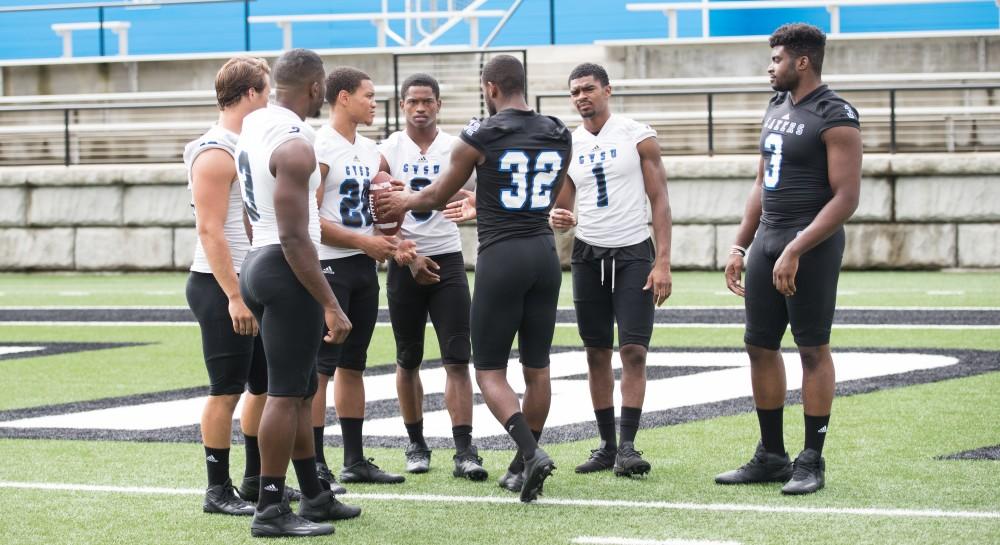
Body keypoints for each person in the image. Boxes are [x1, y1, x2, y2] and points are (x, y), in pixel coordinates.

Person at [378, 55, 572, 503]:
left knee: (488, 369)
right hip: (544, 253)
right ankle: (519, 465)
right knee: (538, 367)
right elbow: (546, 193)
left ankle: (531, 453)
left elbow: (436, 195)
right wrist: (483, 202)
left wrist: (403, 203)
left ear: (489, 88)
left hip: (502, 255)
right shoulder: (559, 131)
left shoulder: (480, 133)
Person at [715, 23, 862, 495]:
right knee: (759, 345)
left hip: (811, 247)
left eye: (776, 59)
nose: (769, 67)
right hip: (769, 239)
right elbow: (762, 182)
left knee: (812, 348)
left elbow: (846, 198)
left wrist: (797, 248)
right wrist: (742, 244)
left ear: (802, 61)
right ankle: (772, 456)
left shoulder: (836, 113)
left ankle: (812, 460)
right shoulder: (777, 105)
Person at [236, 48, 361, 537]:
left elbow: (254, 214)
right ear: (316, 89)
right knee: (285, 395)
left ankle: (314, 494)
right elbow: (294, 236)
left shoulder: (253, 125)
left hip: (261, 259)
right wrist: (332, 305)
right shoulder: (296, 143)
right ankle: (270, 507)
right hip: (285, 265)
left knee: (302, 386)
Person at [548, 62, 673, 478]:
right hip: (588, 253)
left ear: (607, 90)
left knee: (633, 350)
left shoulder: (637, 134)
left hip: (634, 251)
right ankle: (606, 444)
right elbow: (562, 203)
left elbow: (660, 200)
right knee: (596, 352)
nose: (581, 97)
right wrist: (558, 217)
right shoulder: (570, 143)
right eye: (574, 92)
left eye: (588, 89)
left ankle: (629, 445)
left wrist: (663, 261)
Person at [377, 73, 486, 480]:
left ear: (439, 104)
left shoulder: (457, 146)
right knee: (408, 359)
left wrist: (474, 202)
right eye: (412, 101)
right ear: (402, 105)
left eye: (427, 101)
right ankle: (416, 443)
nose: (420, 108)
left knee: (458, 358)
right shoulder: (388, 147)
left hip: (448, 260)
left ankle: (464, 448)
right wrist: (405, 252)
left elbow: (484, 194)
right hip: (406, 261)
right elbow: (377, 211)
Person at [184, 55, 272, 517]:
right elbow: (210, 231)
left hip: (249, 279)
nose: (270, 98)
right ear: (253, 93)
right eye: (267, 90)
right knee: (226, 389)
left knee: (264, 385)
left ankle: (255, 479)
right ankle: (216, 490)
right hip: (220, 284)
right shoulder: (216, 149)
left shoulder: (243, 142)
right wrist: (235, 294)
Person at [312, 66, 406, 485]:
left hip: (363, 268)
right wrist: (363, 242)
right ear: (343, 97)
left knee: (355, 366)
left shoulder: (372, 152)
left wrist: (390, 227)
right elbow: (309, 220)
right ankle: (314, 462)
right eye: (367, 95)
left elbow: (379, 211)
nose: (374, 101)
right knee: (321, 368)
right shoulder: (318, 145)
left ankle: (354, 459)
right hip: (328, 265)